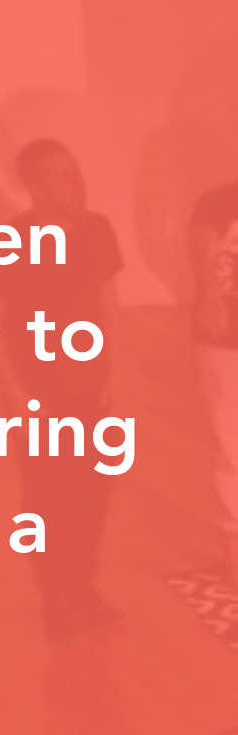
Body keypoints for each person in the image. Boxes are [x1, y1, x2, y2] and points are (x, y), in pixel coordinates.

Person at [0, 138, 123, 639]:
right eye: (61, 175)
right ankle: (54, 597)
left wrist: (115, 376)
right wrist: (13, 393)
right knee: (46, 500)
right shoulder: (9, 241)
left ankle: (83, 586)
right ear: (35, 188)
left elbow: (108, 306)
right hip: (37, 396)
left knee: (92, 494)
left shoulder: (98, 230)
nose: (74, 182)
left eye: (75, 170)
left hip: (91, 389)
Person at [190, 182, 238, 579]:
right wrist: (209, 293)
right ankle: (234, 550)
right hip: (226, 341)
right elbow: (201, 241)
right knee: (232, 446)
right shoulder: (220, 202)